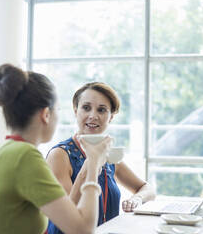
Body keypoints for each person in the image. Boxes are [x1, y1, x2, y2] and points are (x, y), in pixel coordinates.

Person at [0, 64, 112, 234]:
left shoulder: (3, 151)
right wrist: (93, 164)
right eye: (58, 110)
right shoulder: (25, 157)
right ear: (46, 114)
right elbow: (82, 229)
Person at [46, 82, 156, 234]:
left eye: (101, 110)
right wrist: (91, 164)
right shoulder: (60, 155)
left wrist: (136, 199)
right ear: (75, 110)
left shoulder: (108, 153)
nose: (93, 116)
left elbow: (147, 189)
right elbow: (68, 217)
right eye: (86, 108)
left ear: (111, 117)